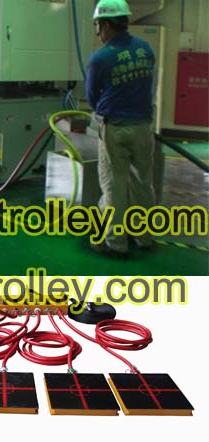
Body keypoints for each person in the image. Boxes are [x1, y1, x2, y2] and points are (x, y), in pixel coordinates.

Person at [86, 0, 156, 257]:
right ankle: (144, 237)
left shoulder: (100, 58)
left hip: (114, 129)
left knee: (113, 186)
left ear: (106, 25)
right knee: (143, 183)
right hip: (143, 127)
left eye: (97, 25)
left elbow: (92, 97)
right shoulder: (145, 49)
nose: (97, 32)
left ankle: (115, 243)